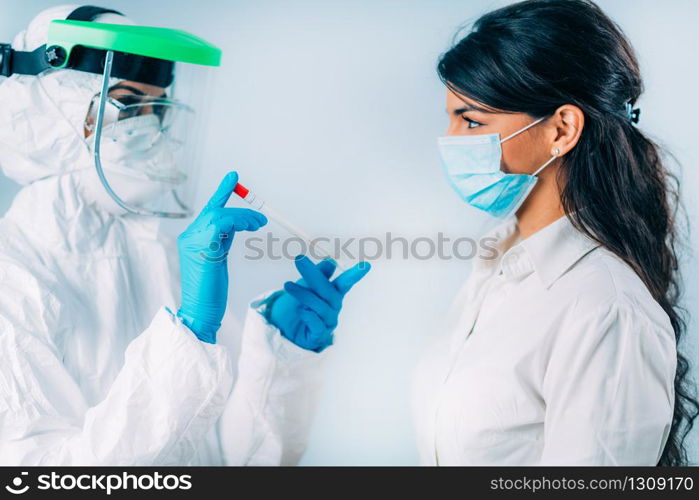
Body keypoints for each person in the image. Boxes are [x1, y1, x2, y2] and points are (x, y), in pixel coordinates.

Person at [0, 5, 369, 465]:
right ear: (57, 114)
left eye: (158, 108)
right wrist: (188, 336)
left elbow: (229, 460)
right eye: (128, 103)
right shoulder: (13, 278)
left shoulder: (154, 255)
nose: (149, 124)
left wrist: (278, 358)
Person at [411, 0, 697, 465]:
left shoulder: (606, 310)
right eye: (450, 118)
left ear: (561, 130)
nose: (450, 141)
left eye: (471, 120)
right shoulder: (495, 269)